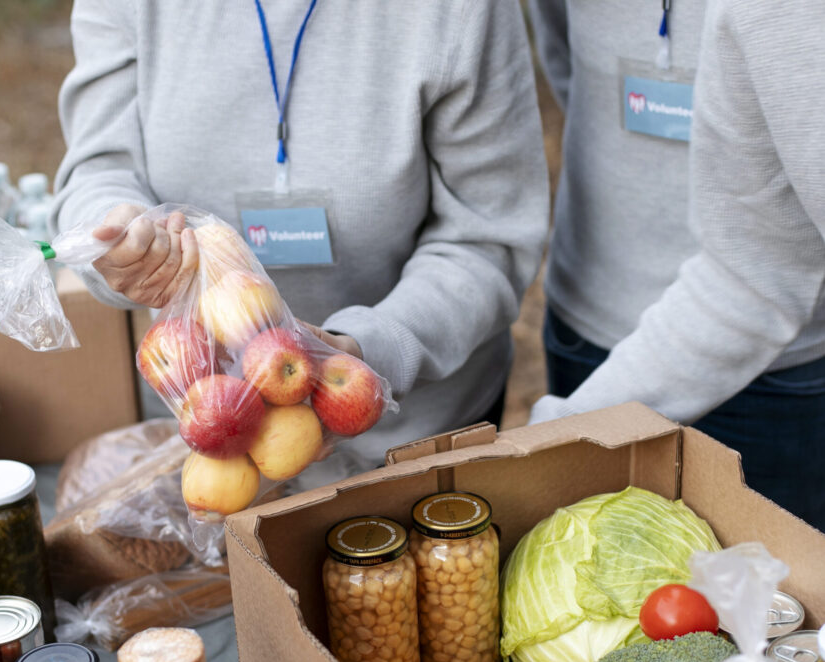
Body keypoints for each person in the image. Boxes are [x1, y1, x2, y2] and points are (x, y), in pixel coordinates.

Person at [50, 0, 549, 475]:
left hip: (419, 432)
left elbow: (487, 238)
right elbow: (99, 166)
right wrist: (113, 240)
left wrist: (368, 351)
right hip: (214, 420)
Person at [528, 0, 825, 530]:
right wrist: (565, 430)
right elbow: (563, 55)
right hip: (600, 324)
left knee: (776, 595)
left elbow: (759, 271)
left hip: (784, 360)